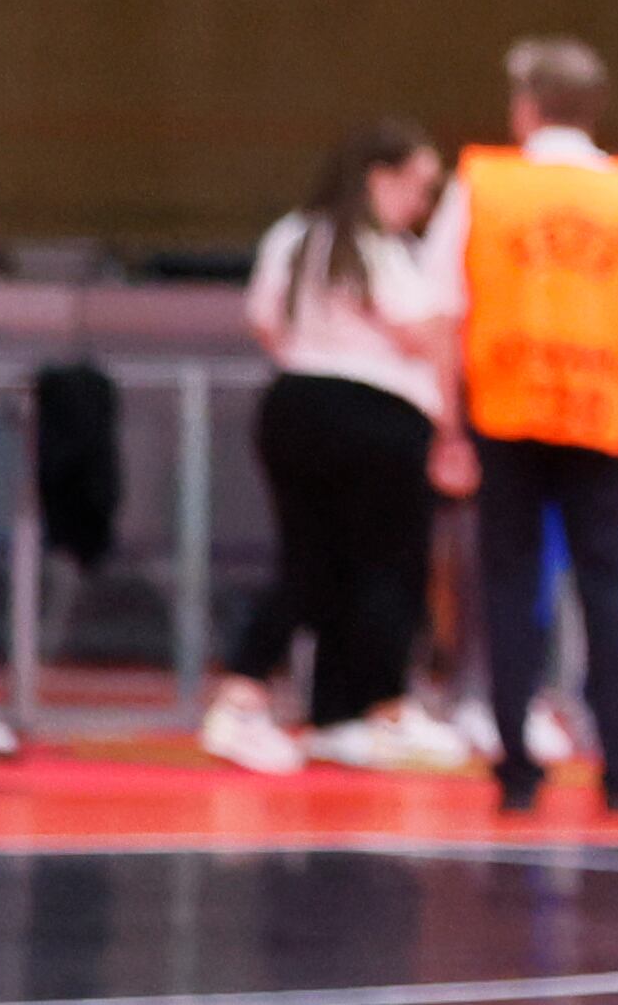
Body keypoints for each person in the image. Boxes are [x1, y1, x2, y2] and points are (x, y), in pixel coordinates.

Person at [422, 38, 618, 814]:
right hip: (602, 416)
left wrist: (449, 423)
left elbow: (445, 310)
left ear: (526, 107)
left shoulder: (485, 186)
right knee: (607, 593)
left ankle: (516, 767)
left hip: (505, 414)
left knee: (509, 590)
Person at [206, 122, 469, 777]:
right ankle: (378, 706)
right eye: (418, 186)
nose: (422, 202)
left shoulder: (291, 233)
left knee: (315, 562)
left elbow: (264, 319)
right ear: (379, 176)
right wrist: (452, 425)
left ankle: (334, 713)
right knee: (389, 565)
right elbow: (424, 330)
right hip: (376, 413)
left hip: (294, 402)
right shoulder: (374, 245)